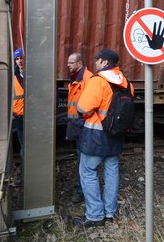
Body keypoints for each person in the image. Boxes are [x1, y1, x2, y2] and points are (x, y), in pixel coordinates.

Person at [72, 48, 133, 228]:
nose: (95, 62)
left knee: (88, 172)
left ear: (105, 62)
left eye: (98, 60)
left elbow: (83, 108)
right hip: (116, 135)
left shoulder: (98, 81)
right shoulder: (127, 83)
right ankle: (110, 212)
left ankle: (95, 215)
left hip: (96, 135)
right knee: (111, 171)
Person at [66, 52, 93, 203]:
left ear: (79, 63)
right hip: (77, 124)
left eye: (71, 62)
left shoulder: (88, 79)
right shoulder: (77, 78)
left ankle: (82, 191)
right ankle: (81, 188)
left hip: (83, 125)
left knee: (83, 161)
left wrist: (83, 121)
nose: (68, 65)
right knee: (81, 159)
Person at [12, 47, 25, 186]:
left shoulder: (33, 74)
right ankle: (23, 175)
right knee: (23, 147)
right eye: (17, 58)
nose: (20, 61)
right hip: (20, 116)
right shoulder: (13, 75)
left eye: (21, 58)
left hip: (33, 116)